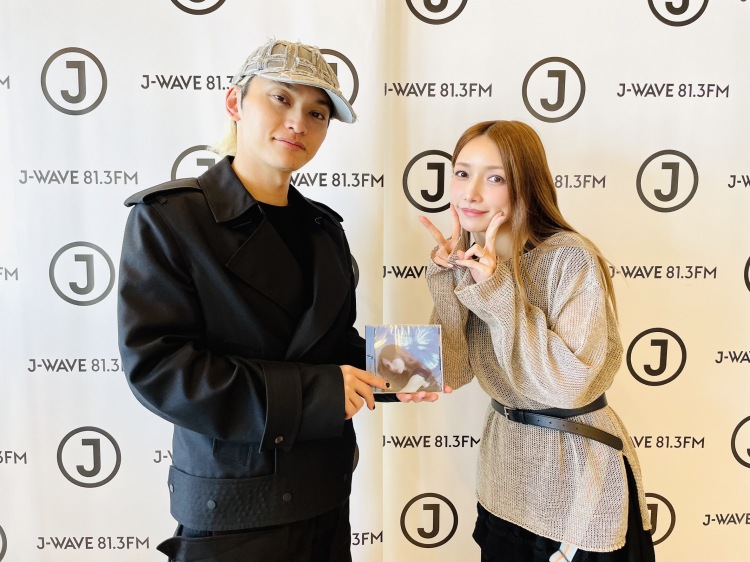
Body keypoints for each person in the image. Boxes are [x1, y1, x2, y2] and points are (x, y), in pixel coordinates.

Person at [117, 38, 408, 562]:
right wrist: (319, 393)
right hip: (233, 504)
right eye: (281, 98)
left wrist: (408, 371)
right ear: (235, 102)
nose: (298, 122)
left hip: (325, 494)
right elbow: (161, 368)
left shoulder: (324, 230)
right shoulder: (170, 219)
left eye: (317, 112)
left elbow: (330, 344)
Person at [419, 120, 655, 561]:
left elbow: (569, 386)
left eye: (495, 178)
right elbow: (448, 370)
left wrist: (494, 291)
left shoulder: (569, 257)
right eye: (462, 173)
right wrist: (447, 281)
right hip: (506, 477)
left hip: (576, 478)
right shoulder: (473, 262)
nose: (471, 193)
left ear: (526, 184)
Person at [375, 344, 442, 393]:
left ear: (400, 355)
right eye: (388, 366)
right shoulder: (404, 376)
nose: (392, 368)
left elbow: (401, 396)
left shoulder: (419, 374)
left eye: (392, 360)